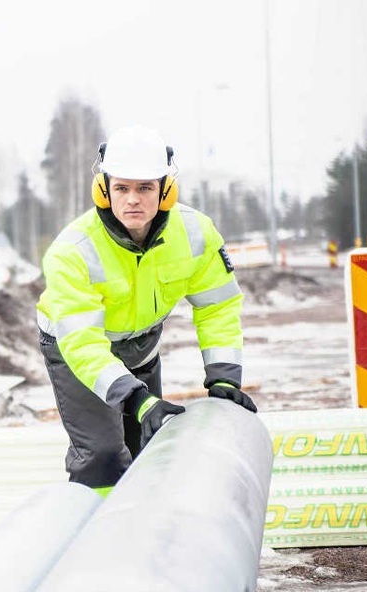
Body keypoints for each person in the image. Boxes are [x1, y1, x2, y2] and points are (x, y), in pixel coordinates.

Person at [36, 125, 257, 498]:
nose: (132, 200)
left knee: (147, 448)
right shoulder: (73, 250)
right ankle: (97, 538)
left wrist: (224, 377)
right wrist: (136, 399)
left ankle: (140, 532)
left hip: (141, 345)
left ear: (165, 191)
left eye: (145, 188)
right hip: (76, 350)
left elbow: (218, 306)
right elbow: (83, 343)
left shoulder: (195, 233)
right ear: (104, 190)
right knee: (103, 455)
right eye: (121, 188)